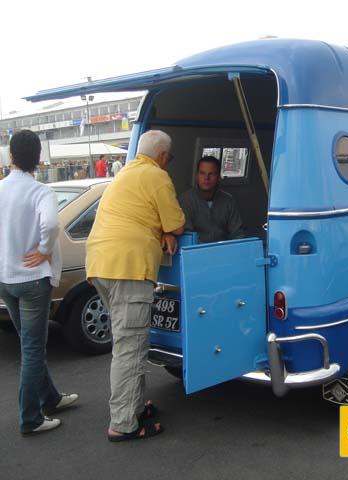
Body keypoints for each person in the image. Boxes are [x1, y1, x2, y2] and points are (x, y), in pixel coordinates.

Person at [86, 130, 185, 441]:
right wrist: (167, 231)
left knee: (130, 341)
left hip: (101, 265)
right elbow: (176, 223)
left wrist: (161, 230)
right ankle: (123, 423)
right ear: (163, 156)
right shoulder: (156, 176)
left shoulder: (126, 173)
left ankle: (135, 406)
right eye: (169, 158)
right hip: (128, 268)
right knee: (130, 348)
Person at [0, 130, 78, 435]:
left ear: (11, 156)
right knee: (33, 349)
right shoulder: (40, 191)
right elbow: (52, 223)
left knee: (28, 343)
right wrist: (44, 250)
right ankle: (30, 418)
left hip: (5, 278)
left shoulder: (1, 188)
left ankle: (51, 398)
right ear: (39, 158)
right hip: (32, 280)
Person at [179, 155, 244, 243]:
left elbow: (237, 233)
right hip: (196, 249)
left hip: (223, 248)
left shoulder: (228, 200)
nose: (206, 178)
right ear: (197, 176)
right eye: (202, 173)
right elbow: (187, 236)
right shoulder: (185, 200)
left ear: (219, 177)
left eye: (211, 174)